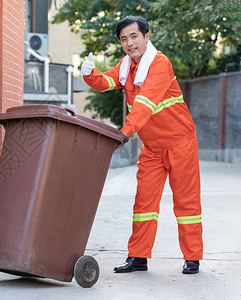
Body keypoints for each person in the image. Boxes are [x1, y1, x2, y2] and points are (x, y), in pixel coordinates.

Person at [81, 16, 203, 274]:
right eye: (123, 39)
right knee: (143, 204)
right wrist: (89, 73)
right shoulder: (127, 66)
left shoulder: (160, 64)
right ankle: (138, 258)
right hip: (152, 148)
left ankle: (192, 257)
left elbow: (145, 104)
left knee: (186, 203)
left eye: (133, 36)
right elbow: (106, 82)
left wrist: (124, 133)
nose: (129, 43)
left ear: (146, 37)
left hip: (180, 143)